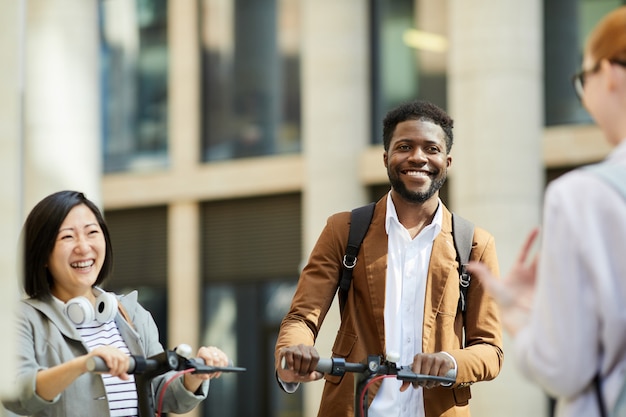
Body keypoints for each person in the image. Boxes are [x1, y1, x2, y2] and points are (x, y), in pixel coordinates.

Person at [274, 100, 503, 417]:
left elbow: (490, 351)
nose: (418, 157)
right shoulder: (345, 230)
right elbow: (302, 317)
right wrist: (293, 352)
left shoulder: (474, 244)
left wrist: (451, 362)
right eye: (405, 146)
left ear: (447, 161)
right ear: (386, 158)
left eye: (431, 149)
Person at [465, 7, 626, 417]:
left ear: (609, 73)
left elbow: (565, 369)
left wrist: (519, 316)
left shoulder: (583, 196)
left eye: (582, 80)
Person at [2, 190, 230, 417]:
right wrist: (82, 365)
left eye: (92, 232)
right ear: (42, 254)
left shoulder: (130, 312)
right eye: (67, 237)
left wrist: (194, 375)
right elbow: (18, 395)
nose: (83, 247)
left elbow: (163, 394)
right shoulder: (20, 318)